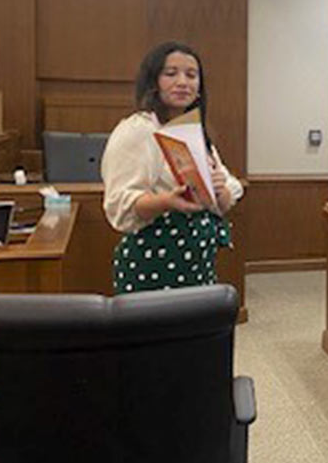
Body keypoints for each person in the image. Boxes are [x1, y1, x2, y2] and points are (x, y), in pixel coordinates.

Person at [101, 42, 243, 294]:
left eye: (191, 75)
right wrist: (167, 201)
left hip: (197, 261)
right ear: (153, 81)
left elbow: (227, 189)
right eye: (171, 74)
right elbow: (120, 205)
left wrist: (220, 190)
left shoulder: (194, 131)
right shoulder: (137, 130)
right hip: (153, 258)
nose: (183, 82)